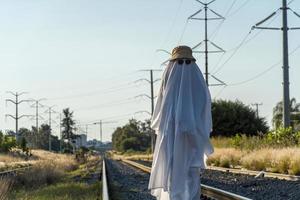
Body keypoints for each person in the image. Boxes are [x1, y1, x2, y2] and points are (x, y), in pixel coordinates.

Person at [148, 46, 214, 200]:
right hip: (175, 135)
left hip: (188, 135)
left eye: (186, 62)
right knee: (178, 170)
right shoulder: (194, 77)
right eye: (180, 62)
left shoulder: (172, 75)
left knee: (187, 171)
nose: (183, 65)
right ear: (174, 62)